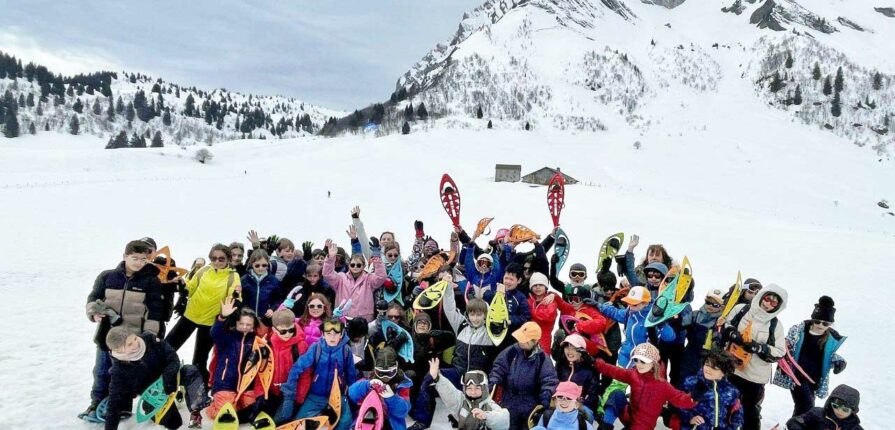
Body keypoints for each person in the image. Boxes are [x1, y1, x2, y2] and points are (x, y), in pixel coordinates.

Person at [81, 240, 164, 422]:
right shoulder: (107, 276)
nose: (139, 263)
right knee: (102, 371)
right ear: (125, 256)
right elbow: (93, 298)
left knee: (125, 375)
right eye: (134, 258)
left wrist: (149, 335)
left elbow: (155, 310)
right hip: (107, 335)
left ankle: (123, 407)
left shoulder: (151, 281)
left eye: (143, 259)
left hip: (132, 338)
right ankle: (96, 403)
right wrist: (93, 313)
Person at [410, 275, 494, 430]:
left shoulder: (491, 333)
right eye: (472, 314)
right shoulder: (461, 325)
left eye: (479, 314)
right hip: (458, 372)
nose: (475, 318)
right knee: (429, 379)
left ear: (485, 315)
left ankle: (467, 419)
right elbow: (449, 308)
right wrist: (448, 287)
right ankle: (423, 420)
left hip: (477, 378)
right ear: (468, 314)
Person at [101, 327, 210, 430]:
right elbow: (114, 403)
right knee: (174, 423)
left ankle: (196, 413)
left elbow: (171, 356)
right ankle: (175, 399)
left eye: (134, 338)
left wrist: (169, 375)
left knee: (190, 371)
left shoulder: (149, 339)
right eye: (130, 344)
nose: (136, 343)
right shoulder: (119, 372)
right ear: (119, 350)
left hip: (171, 378)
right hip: (154, 396)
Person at [165, 244, 241, 384]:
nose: (217, 262)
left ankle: (197, 389)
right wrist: (182, 283)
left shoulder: (232, 276)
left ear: (228, 259)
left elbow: (235, 296)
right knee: (167, 347)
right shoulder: (204, 270)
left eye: (221, 259)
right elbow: (191, 287)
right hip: (190, 316)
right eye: (214, 258)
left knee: (199, 359)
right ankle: (158, 377)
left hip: (209, 322)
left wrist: (235, 295)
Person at [722, 283, 788, 430]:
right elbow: (725, 324)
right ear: (761, 296)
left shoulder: (775, 325)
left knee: (750, 412)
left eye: (773, 302)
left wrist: (759, 347)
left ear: (778, 306)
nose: (768, 303)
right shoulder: (742, 309)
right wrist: (734, 334)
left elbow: (780, 351)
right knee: (724, 405)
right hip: (732, 368)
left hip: (755, 377)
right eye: (767, 298)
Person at [276, 318, 357, 430]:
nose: (332, 337)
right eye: (328, 333)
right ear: (323, 334)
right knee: (299, 423)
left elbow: (351, 374)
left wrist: (350, 395)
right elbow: (297, 367)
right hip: (316, 395)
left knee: (346, 421)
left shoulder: (346, 351)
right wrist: (290, 390)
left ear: (341, 334)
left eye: (336, 333)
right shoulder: (316, 348)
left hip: (338, 396)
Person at [772, 296, 847, 416]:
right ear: (812, 320)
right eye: (817, 321)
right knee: (807, 405)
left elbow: (829, 356)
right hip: (796, 376)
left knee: (804, 406)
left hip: (814, 379)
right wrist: (782, 346)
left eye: (825, 323)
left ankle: (795, 425)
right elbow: (787, 344)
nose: (820, 325)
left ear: (830, 324)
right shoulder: (799, 332)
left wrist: (840, 362)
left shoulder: (830, 340)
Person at [596, 343, 696, 430]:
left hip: (643, 426)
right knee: (617, 394)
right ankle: (605, 426)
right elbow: (615, 371)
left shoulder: (662, 385)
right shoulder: (634, 374)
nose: (639, 364)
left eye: (643, 361)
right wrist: (595, 362)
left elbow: (681, 399)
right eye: (636, 360)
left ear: (653, 363)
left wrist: (696, 396)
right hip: (629, 416)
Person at [205, 297, 268, 424]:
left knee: (250, 411)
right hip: (225, 384)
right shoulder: (227, 337)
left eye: (248, 324)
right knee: (224, 414)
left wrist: (264, 352)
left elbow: (263, 367)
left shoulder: (257, 341)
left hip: (246, 386)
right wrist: (222, 317)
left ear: (253, 325)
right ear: (236, 323)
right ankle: (213, 407)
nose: (244, 327)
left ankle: (235, 403)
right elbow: (215, 333)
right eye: (241, 324)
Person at [488, 322, 559, 430]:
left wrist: (545, 399)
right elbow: (499, 368)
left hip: (530, 404)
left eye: (525, 340)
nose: (521, 342)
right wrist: (493, 381)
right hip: (509, 401)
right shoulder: (512, 351)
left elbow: (549, 380)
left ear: (535, 341)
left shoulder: (543, 359)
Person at [597, 286, 674, 367]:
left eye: (634, 304)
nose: (630, 306)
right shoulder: (629, 312)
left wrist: (662, 324)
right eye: (628, 303)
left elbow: (670, 337)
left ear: (645, 303)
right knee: (619, 378)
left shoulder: (654, 317)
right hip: (624, 357)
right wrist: (598, 305)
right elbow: (615, 313)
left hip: (642, 361)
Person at [428, 358, 510, 430]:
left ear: (484, 388)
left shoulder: (489, 405)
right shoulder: (461, 401)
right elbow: (449, 392)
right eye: (469, 388)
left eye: (477, 388)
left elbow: (504, 420)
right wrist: (437, 378)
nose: (473, 392)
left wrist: (486, 416)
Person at [258, 309, 310, 417]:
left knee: (281, 420)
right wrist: (260, 393)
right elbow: (261, 371)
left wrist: (299, 398)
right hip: (272, 392)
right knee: (261, 418)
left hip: (290, 394)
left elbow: (306, 373)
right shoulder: (269, 344)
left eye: (291, 330)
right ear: (274, 329)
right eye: (283, 331)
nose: (287, 334)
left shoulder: (300, 346)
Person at [677, 348, 743, 430]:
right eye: (707, 364)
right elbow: (679, 404)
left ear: (724, 372)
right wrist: (690, 418)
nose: (708, 369)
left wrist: (733, 427)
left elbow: (736, 412)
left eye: (714, 368)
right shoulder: (691, 383)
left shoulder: (731, 391)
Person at [348, 347, 413, 430]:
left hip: (391, 423)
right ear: (375, 369)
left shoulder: (402, 384)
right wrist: (367, 385)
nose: (385, 377)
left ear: (396, 367)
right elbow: (352, 393)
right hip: (368, 420)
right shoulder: (370, 380)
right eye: (381, 373)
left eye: (390, 372)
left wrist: (392, 398)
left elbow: (403, 412)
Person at [323, 239, 387, 321]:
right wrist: (331, 258)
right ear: (349, 265)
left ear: (363, 266)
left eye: (358, 265)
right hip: (342, 319)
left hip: (363, 320)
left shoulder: (369, 279)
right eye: (352, 265)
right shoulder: (341, 278)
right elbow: (327, 274)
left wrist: (377, 259)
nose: (355, 267)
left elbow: (381, 277)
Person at [679, 288, 726, 381]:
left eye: (715, 305)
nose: (710, 306)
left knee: (701, 382)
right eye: (708, 302)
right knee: (682, 379)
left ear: (722, 307)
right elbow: (681, 324)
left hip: (706, 358)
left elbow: (719, 341)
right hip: (689, 353)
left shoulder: (720, 322)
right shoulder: (695, 315)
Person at [484, 263, 531, 350]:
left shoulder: (520, 297)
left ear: (519, 280)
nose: (508, 282)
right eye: (506, 278)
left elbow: (525, 317)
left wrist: (509, 319)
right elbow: (485, 296)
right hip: (492, 335)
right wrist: (496, 293)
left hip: (510, 339)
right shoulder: (495, 291)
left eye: (511, 279)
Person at [552, 334, 601, 413]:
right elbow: (553, 386)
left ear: (582, 351)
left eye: (574, 348)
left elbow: (592, 396)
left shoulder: (590, 369)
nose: (569, 351)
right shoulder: (561, 366)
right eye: (567, 347)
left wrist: (575, 405)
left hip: (581, 408)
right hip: (561, 404)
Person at [785, 384, 863, 430]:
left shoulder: (854, 428)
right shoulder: (817, 414)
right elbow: (793, 422)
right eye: (835, 406)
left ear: (853, 410)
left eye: (845, 410)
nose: (839, 411)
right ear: (830, 403)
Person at [240, 249, 282, 327]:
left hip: (266, 320)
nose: (260, 268)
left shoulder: (273, 280)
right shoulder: (244, 280)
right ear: (252, 264)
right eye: (257, 265)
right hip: (248, 319)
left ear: (268, 264)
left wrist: (273, 309)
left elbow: (278, 299)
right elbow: (240, 300)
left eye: (264, 265)